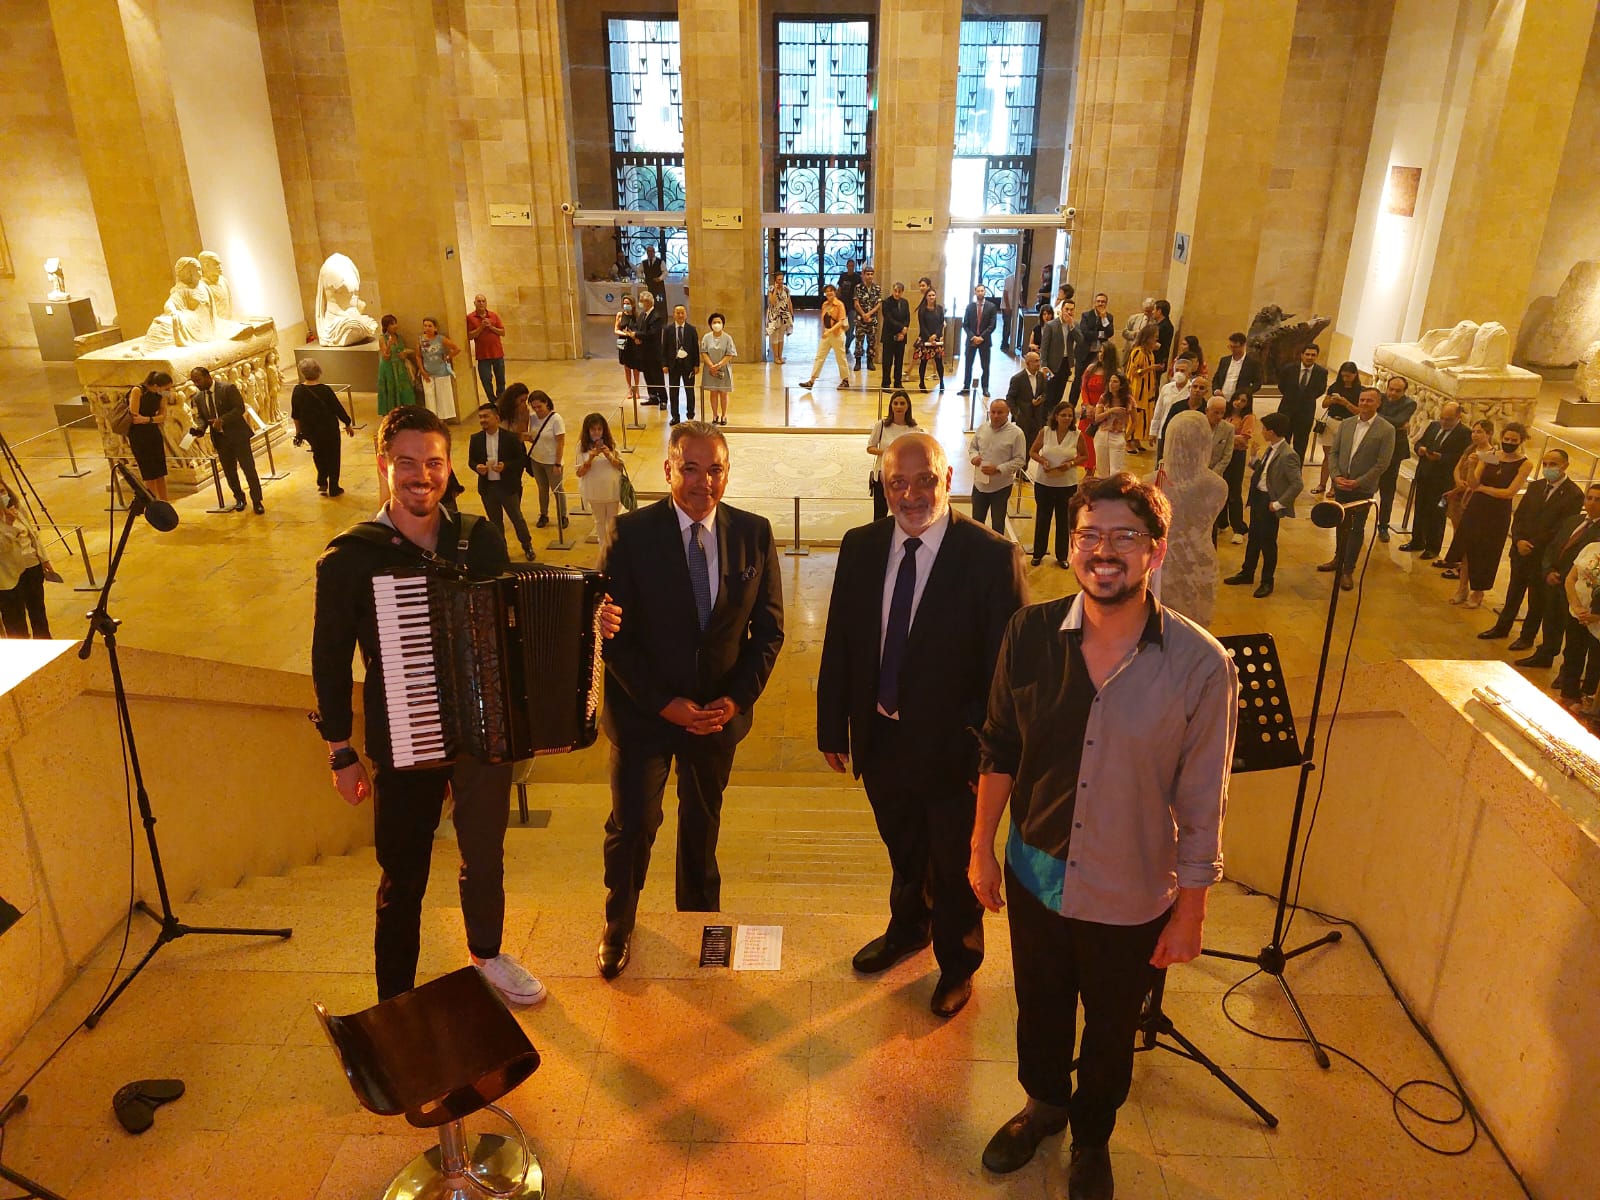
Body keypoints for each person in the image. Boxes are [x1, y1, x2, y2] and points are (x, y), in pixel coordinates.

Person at [971, 472, 1237, 1190]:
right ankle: (1043, 1106)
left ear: (1155, 550)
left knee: (1113, 1026)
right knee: (1042, 1008)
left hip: (1132, 886)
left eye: (1124, 536)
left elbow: (1203, 796)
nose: (1104, 550)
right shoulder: (1028, 634)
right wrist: (982, 851)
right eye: (1090, 534)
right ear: (1073, 544)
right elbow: (999, 746)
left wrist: (1193, 908)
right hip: (1037, 870)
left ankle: (1093, 1135)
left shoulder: (1201, 665)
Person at [311, 405, 615, 1004]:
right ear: (384, 466)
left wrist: (592, 624)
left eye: (432, 463)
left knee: (485, 855)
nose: (420, 476)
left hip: (483, 732)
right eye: (406, 463)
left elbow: (518, 627)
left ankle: (487, 951)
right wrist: (340, 750)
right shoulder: (352, 556)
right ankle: (395, 999)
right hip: (406, 737)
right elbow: (328, 658)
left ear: (449, 468)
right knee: (403, 875)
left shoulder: (477, 538)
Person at [817, 432, 1027, 1018]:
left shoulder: (989, 556)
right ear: (883, 486)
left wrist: (983, 756)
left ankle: (958, 962)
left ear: (949, 477)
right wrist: (833, 723)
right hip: (881, 736)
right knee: (904, 847)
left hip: (954, 750)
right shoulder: (861, 545)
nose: (911, 495)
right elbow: (841, 641)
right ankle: (908, 928)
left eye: (924, 480)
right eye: (897, 483)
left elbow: (1004, 673)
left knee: (956, 863)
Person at [595, 421, 785, 979]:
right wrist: (663, 704)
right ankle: (618, 923)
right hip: (644, 716)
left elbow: (768, 632)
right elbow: (614, 638)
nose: (704, 481)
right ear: (668, 470)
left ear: (727, 472)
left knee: (702, 823)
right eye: (691, 468)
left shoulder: (754, 532)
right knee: (634, 823)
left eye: (716, 469)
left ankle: (700, 922)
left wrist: (734, 700)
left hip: (715, 717)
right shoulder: (631, 535)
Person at [1480, 447, 1581, 649]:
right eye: (1545, 464)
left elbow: (1561, 528)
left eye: (1553, 464)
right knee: (1513, 591)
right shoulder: (1536, 487)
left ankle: (1527, 637)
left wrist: (1533, 544)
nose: (1548, 468)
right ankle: (1502, 626)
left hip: (1542, 555)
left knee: (1537, 599)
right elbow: (1520, 516)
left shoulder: (1573, 494)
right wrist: (1518, 540)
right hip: (1521, 549)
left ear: (1565, 466)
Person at [1153, 409, 1228, 626]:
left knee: (1164, 631)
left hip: (1164, 562)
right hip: (1200, 561)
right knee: (1197, 633)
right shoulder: (1218, 485)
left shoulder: (1151, 481)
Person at [1317, 387, 1396, 592]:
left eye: (1369, 401)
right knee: (1339, 521)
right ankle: (1337, 558)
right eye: (1362, 400)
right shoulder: (1346, 424)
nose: (1364, 404)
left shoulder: (1386, 429)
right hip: (1341, 483)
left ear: (1378, 403)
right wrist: (1336, 476)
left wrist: (1359, 481)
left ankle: (1348, 570)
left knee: (1356, 528)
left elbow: (1382, 463)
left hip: (1362, 488)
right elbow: (1333, 453)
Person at [1524, 485, 1600, 687]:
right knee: (1551, 622)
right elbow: (1554, 546)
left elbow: (1588, 563)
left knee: (1574, 636)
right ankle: (1545, 654)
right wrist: (1548, 570)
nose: (1591, 502)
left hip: (1577, 587)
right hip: (1555, 580)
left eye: (1597, 499)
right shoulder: (1573, 520)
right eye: (1589, 498)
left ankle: (1567, 674)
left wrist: (1566, 577)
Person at [1224, 410, 1301, 597]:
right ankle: (1247, 572)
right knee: (1254, 538)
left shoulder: (1287, 454)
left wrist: (1279, 504)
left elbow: (1297, 484)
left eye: (1264, 429)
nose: (1262, 431)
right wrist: (1253, 458)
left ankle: (1267, 580)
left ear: (1272, 431)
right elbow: (1265, 472)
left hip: (1269, 502)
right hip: (1259, 498)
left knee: (1267, 542)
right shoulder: (1272, 448)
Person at [1400, 402, 1470, 558]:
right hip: (1425, 476)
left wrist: (1441, 457)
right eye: (1443, 418)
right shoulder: (1433, 426)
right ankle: (1417, 541)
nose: (1444, 422)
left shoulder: (1465, 433)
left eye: (1449, 419)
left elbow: (1462, 458)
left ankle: (1433, 547)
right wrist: (1420, 449)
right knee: (1420, 509)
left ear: (1458, 417)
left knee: (1437, 514)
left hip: (1444, 482)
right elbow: (1419, 441)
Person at [189, 366, 263, 514]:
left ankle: (257, 500)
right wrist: (200, 429)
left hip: (238, 435)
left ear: (207, 376)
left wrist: (222, 420)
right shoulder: (198, 397)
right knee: (229, 472)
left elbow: (239, 408)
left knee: (249, 469)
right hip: (221, 439)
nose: (196, 384)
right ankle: (239, 498)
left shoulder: (227, 388)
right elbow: (202, 418)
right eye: (194, 382)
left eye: (198, 380)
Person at [468, 402, 535, 561]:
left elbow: (521, 460)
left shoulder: (510, 438)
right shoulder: (476, 439)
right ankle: (502, 551)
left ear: (496, 418)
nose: (483, 420)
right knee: (495, 523)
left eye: (486, 416)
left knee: (517, 519)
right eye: (480, 417)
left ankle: (527, 546)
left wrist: (506, 466)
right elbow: (471, 460)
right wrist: (477, 467)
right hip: (488, 488)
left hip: (506, 487)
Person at [1027, 400, 1087, 568]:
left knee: (1064, 520)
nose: (1067, 418)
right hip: (1044, 483)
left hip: (1067, 484)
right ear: (1055, 416)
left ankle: (1061, 556)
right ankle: (1038, 553)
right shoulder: (1045, 432)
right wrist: (1043, 461)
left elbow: (1084, 456)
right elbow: (1032, 451)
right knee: (1042, 518)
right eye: (1063, 415)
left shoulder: (1077, 435)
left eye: (1069, 415)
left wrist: (1071, 464)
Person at [291, 358, 355, 498]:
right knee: (333, 456)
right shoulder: (325, 390)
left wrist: (298, 432)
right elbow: (337, 408)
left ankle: (322, 481)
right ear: (318, 371)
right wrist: (347, 423)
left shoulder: (298, 390)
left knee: (318, 453)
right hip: (328, 429)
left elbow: (295, 414)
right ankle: (333, 486)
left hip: (310, 430)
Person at [1437, 419, 1495, 572]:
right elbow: (1458, 467)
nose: (1475, 435)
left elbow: (1475, 480)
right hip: (1457, 492)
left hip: (1469, 497)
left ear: (1489, 434)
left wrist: (1457, 489)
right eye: (1473, 432)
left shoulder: (1490, 455)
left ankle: (1463, 566)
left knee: (1465, 533)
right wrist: (1456, 481)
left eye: (1479, 432)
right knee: (1456, 529)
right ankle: (1454, 559)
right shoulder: (1470, 448)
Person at [0, 483, 54, 638]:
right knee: (15, 622)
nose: (2, 496)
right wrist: (9, 525)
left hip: (32, 567)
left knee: (38, 612)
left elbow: (32, 534)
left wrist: (44, 559)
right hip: (8, 577)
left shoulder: (16, 508)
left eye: (3, 491)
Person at [969, 398, 1027, 535]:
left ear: (1008, 413)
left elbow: (1020, 460)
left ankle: (997, 554)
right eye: (993, 412)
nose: (995, 416)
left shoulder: (1017, 433)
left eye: (1000, 412)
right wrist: (974, 457)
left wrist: (998, 469)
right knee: (976, 522)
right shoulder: (982, 428)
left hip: (1000, 486)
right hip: (979, 484)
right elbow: (973, 447)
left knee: (998, 524)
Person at [1374, 374, 1419, 543]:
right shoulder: (1380, 398)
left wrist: (1375, 416)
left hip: (1394, 451)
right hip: (1375, 448)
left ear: (1404, 392)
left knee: (1387, 490)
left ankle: (1383, 525)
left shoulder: (1409, 403)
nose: (1392, 393)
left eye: (1397, 391)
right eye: (1391, 389)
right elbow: (1394, 423)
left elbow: (1398, 421)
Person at [574, 411, 625, 552]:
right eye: (593, 429)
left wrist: (609, 455)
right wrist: (590, 459)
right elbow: (579, 473)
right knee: (599, 522)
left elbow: (620, 466)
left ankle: (615, 550)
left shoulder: (611, 443)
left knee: (613, 522)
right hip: (594, 491)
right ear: (587, 430)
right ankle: (603, 551)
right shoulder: (581, 447)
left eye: (599, 429)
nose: (596, 432)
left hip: (612, 490)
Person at [1312, 361, 1363, 494]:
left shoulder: (1360, 391)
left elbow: (1359, 412)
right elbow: (1324, 404)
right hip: (1331, 422)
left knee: (1340, 458)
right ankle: (1322, 484)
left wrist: (1345, 403)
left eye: (1348, 376)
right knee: (1328, 456)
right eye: (1343, 376)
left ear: (1355, 375)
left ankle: (1334, 487)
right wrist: (1333, 400)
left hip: (1347, 424)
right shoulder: (1335, 386)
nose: (1345, 379)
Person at [867, 390, 918, 522]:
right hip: (882, 476)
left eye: (902, 403)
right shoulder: (882, 425)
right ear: (891, 406)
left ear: (908, 406)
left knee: (902, 515)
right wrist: (888, 452)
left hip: (904, 478)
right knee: (879, 516)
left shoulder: (914, 428)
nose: (899, 407)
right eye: (895, 403)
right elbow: (870, 448)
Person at [125, 370, 172, 503]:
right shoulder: (138, 391)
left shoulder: (162, 394)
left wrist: (148, 419)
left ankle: (165, 503)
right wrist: (151, 419)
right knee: (148, 473)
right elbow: (134, 416)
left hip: (153, 432)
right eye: (167, 388)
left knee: (160, 472)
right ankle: (153, 504)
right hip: (138, 435)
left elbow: (163, 416)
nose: (169, 390)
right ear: (156, 386)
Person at [1275, 343, 1328, 461]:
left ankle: (1295, 472)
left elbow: (1320, 390)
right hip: (1286, 411)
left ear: (1316, 356)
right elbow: (1282, 386)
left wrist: (1306, 399)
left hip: (1306, 413)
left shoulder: (1321, 372)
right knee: (1282, 443)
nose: (1310, 357)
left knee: (1301, 445)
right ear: (1302, 355)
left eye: (1313, 355)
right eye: (1307, 354)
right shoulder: (1289, 369)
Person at [524, 390, 567, 531]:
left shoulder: (556, 419)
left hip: (552, 461)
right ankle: (543, 514)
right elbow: (536, 438)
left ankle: (563, 516)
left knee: (557, 490)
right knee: (542, 489)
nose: (537, 410)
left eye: (539, 407)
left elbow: (560, 442)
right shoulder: (533, 418)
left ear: (546, 403)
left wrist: (557, 463)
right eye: (534, 407)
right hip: (536, 460)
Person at [1218, 390, 1257, 544]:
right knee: (1220, 488)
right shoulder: (1226, 414)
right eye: (1237, 399)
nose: (1238, 403)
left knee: (1234, 491)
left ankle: (1238, 528)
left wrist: (1225, 437)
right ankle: (1221, 522)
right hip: (1222, 455)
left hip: (1236, 456)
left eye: (1243, 401)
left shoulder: (1248, 417)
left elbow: (1243, 439)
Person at [801, 284, 851, 390]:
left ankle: (845, 380)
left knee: (840, 358)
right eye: (827, 291)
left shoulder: (839, 305)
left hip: (837, 334)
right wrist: (825, 331)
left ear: (835, 292)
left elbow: (841, 321)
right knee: (819, 357)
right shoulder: (824, 304)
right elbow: (824, 320)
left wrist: (830, 331)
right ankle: (812, 381)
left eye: (831, 291)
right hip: (827, 334)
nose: (829, 293)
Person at [1071, 293, 1115, 405]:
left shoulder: (1108, 317)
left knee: (1096, 380)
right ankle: (1071, 405)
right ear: (1095, 303)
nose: (1100, 303)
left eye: (1103, 302)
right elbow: (1085, 333)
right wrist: (1101, 334)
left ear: (1106, 303)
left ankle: (1094, 404)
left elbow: (1109, 333)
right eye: (1098, 301)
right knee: (1078, 380)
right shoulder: (1086, 315)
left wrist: (1104, 318)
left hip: (1099, 354)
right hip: (1085, 352)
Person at [1005, 350, 1051, 454]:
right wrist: (1017, 413)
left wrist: (1040, 400)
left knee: (1032, 446)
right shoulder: (1018, 379)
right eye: (1035, 361)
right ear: (1027, 363)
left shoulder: (1041, 377)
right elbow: (1010, 398)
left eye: (1039, 360)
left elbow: (1045, 393)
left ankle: (1024, 467)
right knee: (1021, 447)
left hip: (1037, 418)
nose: (1038, 364)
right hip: (1023, 418)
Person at [1150, 358, 1194, 466]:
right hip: (1164, 432)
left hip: (1183, 434)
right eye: (1177, 370)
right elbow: (1158, 411)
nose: (1179, 373)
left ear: (1189, 373)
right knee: (1160, 463)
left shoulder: (1193, 390)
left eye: (1182, 371)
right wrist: (1153, 432)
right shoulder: (1166, 388)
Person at [1125, 322, 1160, 454]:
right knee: (1134, 415)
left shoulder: (1150, 353)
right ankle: (1128, 441)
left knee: (1144, 417)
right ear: (1147, 337)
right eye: (1155, 337)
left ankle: (1137, 439)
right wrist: (1150, 369)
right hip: (1137, 389)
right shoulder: (1137, 352)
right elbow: (1133, 372)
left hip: (1147, 390)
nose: (1157, 339)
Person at [1091, 368, 1132, 480]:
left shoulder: (1128, 400)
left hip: (1118, 435)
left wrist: (1127, 436)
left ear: (1122, 385)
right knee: (1102, 471)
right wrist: (1111, 411)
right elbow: (1097, 418)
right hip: (1102, 435)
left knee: (1115, 472)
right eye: (1110, 381)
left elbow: (1135, 421)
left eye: (1115, 381)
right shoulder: (1104, 398)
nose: (1111, 384)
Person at [416, 317, 460, 421]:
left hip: (441, 372)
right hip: (427, 373)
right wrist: (422, 370)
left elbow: (456, 349)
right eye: (425, 326)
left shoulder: (441, 339)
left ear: (435, 328)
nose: (427, 328)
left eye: (430, 326)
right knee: (429, 396)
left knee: (442, 397)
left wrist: (448, 357)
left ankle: (442, 420)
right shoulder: (420, 340)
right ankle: (432, 418)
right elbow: (418, 356)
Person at [662, 304, 699, 426]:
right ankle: (675, 416)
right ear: (674, 315)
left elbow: (695, 348)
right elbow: (664, 348)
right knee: (673, 392)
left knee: (689, 391)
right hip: (673, 365)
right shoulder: (668, 330)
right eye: (678, 313)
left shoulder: (691, 329)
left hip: (688, 365)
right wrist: (664, 364)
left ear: (686, 314)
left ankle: (690, 415)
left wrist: (696, 364)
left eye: (682, 312)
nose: (680, 315)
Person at [959, 284, 999, 398]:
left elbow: (992, 325)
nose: (980, 293)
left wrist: (982, 337)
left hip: (984, 341)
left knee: (985, 366)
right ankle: (966, 387)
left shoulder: (991, 307)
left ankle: (985, 388)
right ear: (975, 292)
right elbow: (965, 324)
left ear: (985, 292)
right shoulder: (970, 307)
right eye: (978, 291)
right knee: (968, 364)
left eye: (982, 291)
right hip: (971, 340)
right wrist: (973, 337)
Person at [465, 294, 506, 402]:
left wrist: (491, 327)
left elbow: (502, 332)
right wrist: (481, 327)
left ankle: (501, 399)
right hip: (483, 355)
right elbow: (470, 336)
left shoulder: (493, 315)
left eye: (483, 301)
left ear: (486, 303)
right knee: (486, 379)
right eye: (479, 301)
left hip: (497, 353)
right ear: (474, 303)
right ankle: (492, 400)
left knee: (501, 378)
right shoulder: (470, 318)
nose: (481, 303)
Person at [633, 290, 669, 409]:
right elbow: (637, 327)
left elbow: (652, 333)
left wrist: (637, 335)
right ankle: (653, 397)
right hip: (643, 352)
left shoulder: (657, 316)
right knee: (648, 376)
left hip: (654, 353)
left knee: (657, 377)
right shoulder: (642, 315)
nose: (640, 303)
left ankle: (663, 399)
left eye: (642, 301)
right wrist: (635, 337)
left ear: (648, 302)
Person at [700, 312, 736, 427]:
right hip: (710, 370)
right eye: (714, 322)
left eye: (719, 322)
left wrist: (719, 365)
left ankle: (724, 415)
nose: (716, 324)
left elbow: (730, 354)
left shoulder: (727, 338)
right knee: (713, 392)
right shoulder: (706, 337)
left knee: (723, 393)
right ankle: (715, 415)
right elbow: (704, 352)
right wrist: (711, 365)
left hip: (723, 369)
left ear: (723, 324)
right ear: (710, 324)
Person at [377, 314, 415, 417]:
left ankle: (406, 411)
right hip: (388, 368)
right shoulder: (382, 338)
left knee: (405, 388)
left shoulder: (399, 337)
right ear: (386, 326)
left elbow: (402, 349)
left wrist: (405, 353)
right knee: (391, 389)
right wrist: (389, 344)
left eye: (395, 323)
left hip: (400, 367)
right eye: (391, 324)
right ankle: (392, 413)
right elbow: (385, 356)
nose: (395, 326)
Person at [880, 282, 911, 390]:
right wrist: (900, 328)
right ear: (893, 291)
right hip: (889, 336)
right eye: (895, 291)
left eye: (899, 292)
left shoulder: (905, 303)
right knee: (887, 362)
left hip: (901, 337)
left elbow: (907, 317)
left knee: (899, 361)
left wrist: (904, 330)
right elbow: (888, 319)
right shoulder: (886, 302)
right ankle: (885, 384)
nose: (897, 294)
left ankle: (898, 382)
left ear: (902, 292)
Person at [1214, 332, 1261, 402]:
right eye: (1231, 346)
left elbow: (1257, 383)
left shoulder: (1252, 363)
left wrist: (1246, 393)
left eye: (1235, 347)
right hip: (1222, 399)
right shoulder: (1224, 361)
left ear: (1243, 345)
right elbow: (1216, 378)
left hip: (1238, 401)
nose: (1233, 349)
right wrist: (1216, 390)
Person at [915, 287, 946, 392]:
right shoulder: (922, 310)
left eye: (933, 295)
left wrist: (935, 336)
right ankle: (922, 383)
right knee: (923, 362)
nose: (931, 297)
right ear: (926, 297)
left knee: (939, 362)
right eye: (929, 295)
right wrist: (929, 337)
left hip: (936, 339)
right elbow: (922, 326)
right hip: (925, 339)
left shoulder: (940, 309)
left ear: (935, 296)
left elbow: (941, 323)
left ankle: (942, 382)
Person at [614, 294, 642, 406]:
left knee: (635, 367)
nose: (626, 305)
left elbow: (639, 329)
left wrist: (633, 336)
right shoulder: (620, 315)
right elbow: (616, 330)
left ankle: (637, 388)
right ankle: (629, 389)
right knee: (627, 367)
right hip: (624, 343)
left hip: (634, 342)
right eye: (624, 303)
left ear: (633, 304)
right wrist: (625, 334)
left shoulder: (637, 315)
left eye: (628, 303)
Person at [853, 266, 882, 373]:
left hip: (872, 320)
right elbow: (856, 303)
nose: (870, 276)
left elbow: (878, 304)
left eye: (871, 274)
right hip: (861, 319)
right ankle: (858, 361)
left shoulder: (877, 288)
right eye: (867, 274)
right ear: (863, 275)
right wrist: (863, 314)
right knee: (859, 341)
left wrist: (869, 314)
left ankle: (870, 361)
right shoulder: (858, 287)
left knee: (872, 341)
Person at [837, 259, 863, 361]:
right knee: (843, 325)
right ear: (847, 266)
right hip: (843, 304)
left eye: (853, 266)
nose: (851, 267)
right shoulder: (843, 276)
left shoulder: (857, 277)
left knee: (851, 326)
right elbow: (839, 288)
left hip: (852, 305)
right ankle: (844, 344)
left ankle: (847, 345)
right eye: (849, 266)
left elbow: (860, 291)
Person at [766, 272, 793, 364]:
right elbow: (772, 301)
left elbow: (789, 302)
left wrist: (791, 313)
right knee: (775, 336)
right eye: (779, 279)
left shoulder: (786, 289)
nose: (781, 281)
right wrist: (776, 290)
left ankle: (780, 356)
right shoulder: (771, 289)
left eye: (782, 279)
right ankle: (776, 357)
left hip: (784, 315)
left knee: (781, 336)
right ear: (775, 280)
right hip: (774, 315)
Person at [640, 244, 666, 309]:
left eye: (651, 251)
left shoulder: (660, 261)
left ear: (654, 252)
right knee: (649, 302)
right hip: (649, 285)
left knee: (659, 303)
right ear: (647, 253)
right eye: (648, 251)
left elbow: (665, 272)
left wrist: (660, 278)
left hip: (658, 286)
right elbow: (638, 271)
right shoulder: (644, 262)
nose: (650, 253)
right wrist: (642, 278)